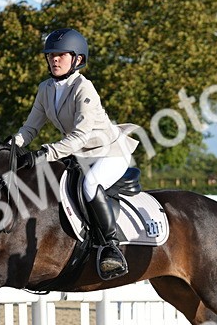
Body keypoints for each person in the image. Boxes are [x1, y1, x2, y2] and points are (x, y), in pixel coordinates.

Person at [10, 28, 140, 279]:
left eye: (60, 55)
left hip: (109, 151)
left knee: (90, 186)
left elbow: (80, 135)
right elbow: (30, 128)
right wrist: (10, 146)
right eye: (50, 55)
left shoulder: (84, 88)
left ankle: (110, 247)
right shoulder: (45, 88)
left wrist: (45, 153)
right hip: (79, 153)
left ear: (77, 59)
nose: (54, 59)